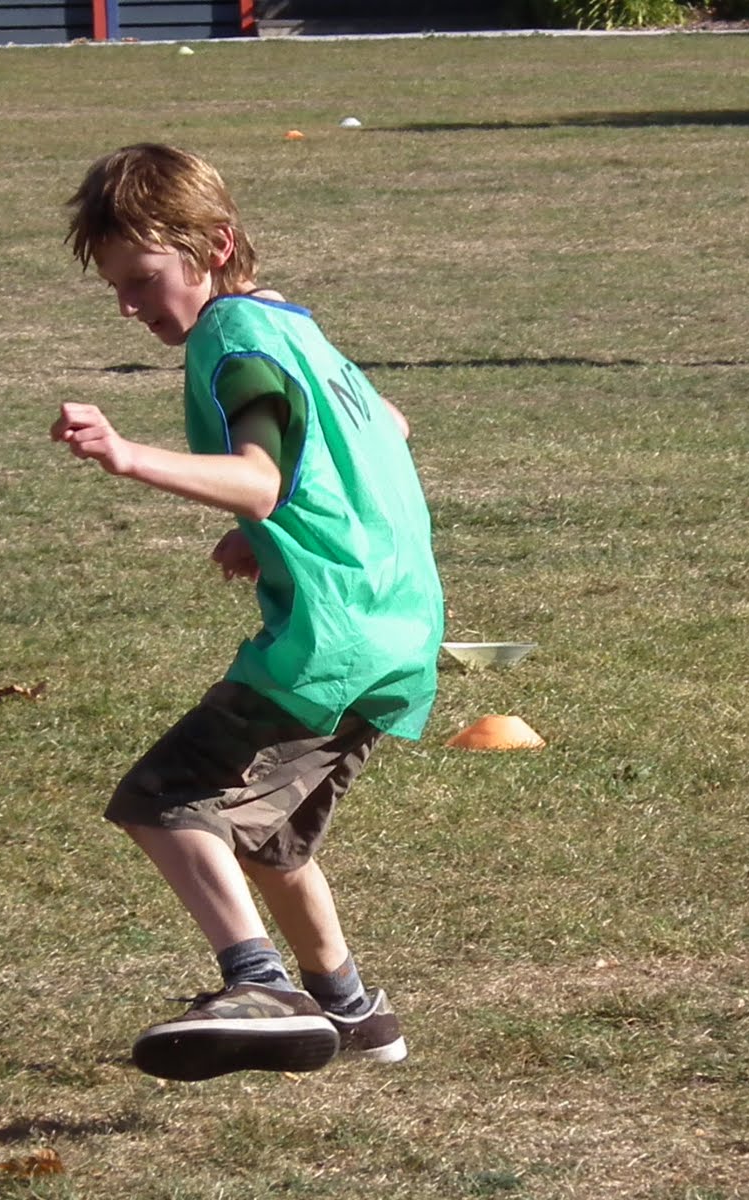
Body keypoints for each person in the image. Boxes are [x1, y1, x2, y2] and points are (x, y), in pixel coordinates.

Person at [54, 143, 442, 1082]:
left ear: (216, 245)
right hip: (397, 623)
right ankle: (354, 1008)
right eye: (116, 287)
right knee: (268, 836)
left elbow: (264, 478)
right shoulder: (296, 326)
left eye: (144, 281)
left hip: (331, 638)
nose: (131, 307)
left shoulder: (230, 337)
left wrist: (128, 456)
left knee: (165, 798)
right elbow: (382, 425)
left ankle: (259, 984)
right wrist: (270, 536)